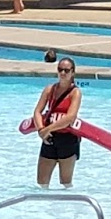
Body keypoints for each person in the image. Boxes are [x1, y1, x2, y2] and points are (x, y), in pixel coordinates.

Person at [31, 56, 82, 188]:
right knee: (41, 182)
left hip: (68, 139)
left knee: (65, 183)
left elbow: (70, 117)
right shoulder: (50, 90)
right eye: (60, 70)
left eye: (66, 70)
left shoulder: (75, 93)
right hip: (49, 138)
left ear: (72, 72)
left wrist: (47, 129)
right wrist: (41, 129)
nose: (63, 73)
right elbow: (37, 111)